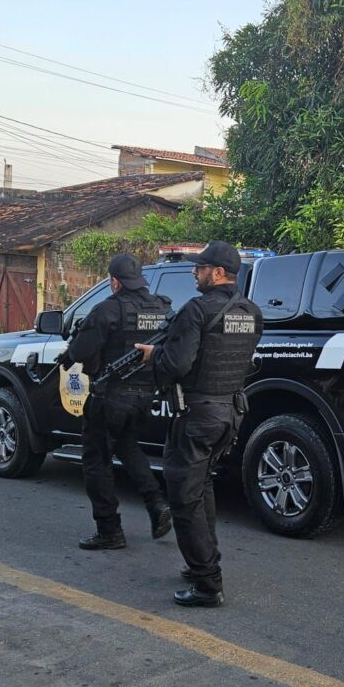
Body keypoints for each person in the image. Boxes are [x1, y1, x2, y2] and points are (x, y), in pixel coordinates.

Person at [135, 241, 262, 607]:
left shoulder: (196, 311)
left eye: (200, 267)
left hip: (197, 414)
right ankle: (203, 564)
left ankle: (208, 583)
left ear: (218, 273)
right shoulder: (251, 311)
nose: (194, 271)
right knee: (201, 485)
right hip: (230, 412)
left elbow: (177, 365)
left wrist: (153, 355)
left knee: (184, 496)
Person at [62, 253, 173, 550]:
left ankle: (109, 530)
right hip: (144, 397)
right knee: (127, 446)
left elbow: (82, 350)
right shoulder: (163, 306)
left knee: (96, 461)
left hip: (110, 397)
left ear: (114, 282)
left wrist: (71, 357)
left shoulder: (108, 309)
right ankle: (157, 503)